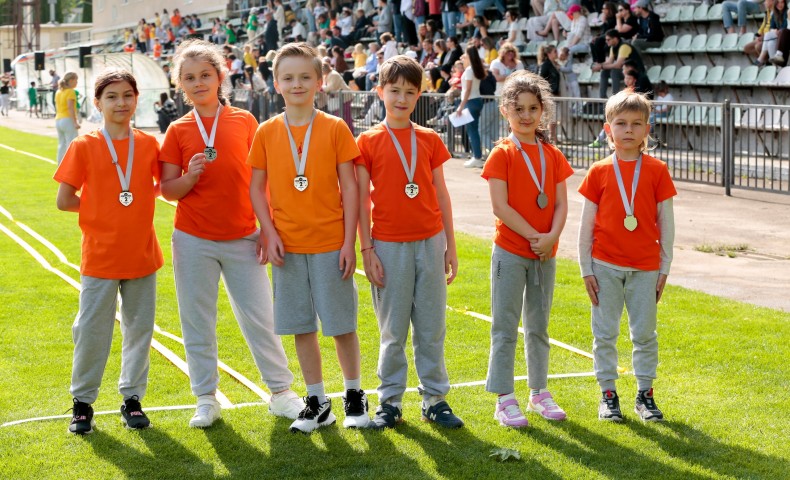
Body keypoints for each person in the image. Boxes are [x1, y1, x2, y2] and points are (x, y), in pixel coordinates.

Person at [159, 39, 303, 429]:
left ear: (220, 76)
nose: (198, 82)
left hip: (244, 237)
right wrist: (189, 177)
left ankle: (281, 392)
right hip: (192, 240)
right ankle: (206, 397)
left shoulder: (244, 122)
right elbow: (167, 189)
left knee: (262, 318)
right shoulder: (177, 129)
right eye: (189, 78)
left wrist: (267, 228)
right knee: (197, 320)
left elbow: (264, 181)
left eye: (205, 74)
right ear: (180, 85)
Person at [247, 42, 370, 434]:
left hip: (330, 243)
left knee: (340, 324)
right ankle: (316, 400)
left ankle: (354, 393)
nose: (296, 84)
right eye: (288, 78)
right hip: (288, 244)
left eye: (304, 77)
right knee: (301, 325)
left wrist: (349, 242)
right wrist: (268, 231)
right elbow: (256, 188)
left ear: (319, 81)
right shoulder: (266, 131)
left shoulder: (335, 127)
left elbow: (351, 189)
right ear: (276, 83)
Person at [54, 68, 164, 435]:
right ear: (98, 103)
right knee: (91, 331)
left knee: (139, 332)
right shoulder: (84, 145)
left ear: (137, 99)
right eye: (112, 97)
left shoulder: (148, 144)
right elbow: (64, 200)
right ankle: (82, 404)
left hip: (142, 255)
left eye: (128, 95)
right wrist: (101, 207)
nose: (121, 102)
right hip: (100, 256)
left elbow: (160, 187)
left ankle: (132, 399)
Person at [356, 54, 463, 430]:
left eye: (410, 92)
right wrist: (366, 249)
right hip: (388, 245)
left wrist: (450, 245)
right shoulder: (367, 141)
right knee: (393, 330)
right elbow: (359, 201)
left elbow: (441, 194)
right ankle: (390, 400)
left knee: (432, 325)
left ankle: (435, 399)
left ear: (420, 95)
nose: (401, 98)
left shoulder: (430, 139)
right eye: (394, 90)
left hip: (430, 243)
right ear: (380, 91)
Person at [577, 89, 677, 422]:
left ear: (648, 130)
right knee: (604, 333)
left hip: (646, 268)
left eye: (637, 123)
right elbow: (585, 226)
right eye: (621, 123)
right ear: (608, 129)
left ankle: (645, 395)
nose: (629, 130)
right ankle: (608, 395)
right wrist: (585, 269)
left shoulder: (658, 170)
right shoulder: (598, 171)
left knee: (645, 334)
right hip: (604, 266)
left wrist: (664, 268)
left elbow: (667, 223)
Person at [481, 70, 574, 428]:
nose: (525, 115)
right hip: (511, 250)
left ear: (542, 112)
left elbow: (562, 204)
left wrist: (550, 237)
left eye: (533, 108)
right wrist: (536, 234)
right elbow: (500, 207)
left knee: (539, 326)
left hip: (544, 253)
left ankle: (539, 391)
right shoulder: (502, 153)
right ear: (505, 110)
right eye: (518, 108)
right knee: (505, 325)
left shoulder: (551, 154)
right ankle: (504, 397)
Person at [591, 29, 643, 99]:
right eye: (606, 40)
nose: (606, 42)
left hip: (635, 71)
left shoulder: (624, 46)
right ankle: (602, 97)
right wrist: (598, 65)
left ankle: (615, 97)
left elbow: (618, 65)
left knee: (614, 71)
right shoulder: (613, 47)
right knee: (604, 72)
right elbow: (609, 62)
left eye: (608, 40)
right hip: (626, 70)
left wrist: (601, 66)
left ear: (615, 39)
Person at [457, 46, 486, 168]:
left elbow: (467, 90)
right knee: (472, 130)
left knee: (472, 130)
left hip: (470, 102)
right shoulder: (474, 69)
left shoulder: (469, 70)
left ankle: (477, 157)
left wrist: (460, 106)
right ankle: (476, 156)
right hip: (476, 100)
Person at [55, 72, 81, 165]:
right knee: (72, 143)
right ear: (71, 80)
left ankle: (60, 164)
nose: (77, 82)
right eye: (76, 80)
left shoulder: (59, 91)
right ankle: (72, 165)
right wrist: (75, 122)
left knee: (62, 143)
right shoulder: (70, 91)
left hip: (58, 119)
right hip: (67, 119)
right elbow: (70, 107)